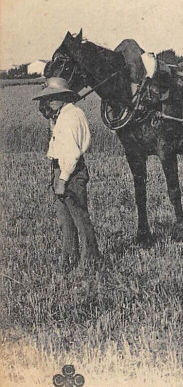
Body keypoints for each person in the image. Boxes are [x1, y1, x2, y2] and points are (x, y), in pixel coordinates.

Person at [33, 77, 101, 271]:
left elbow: (71, 153)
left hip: (70, 172)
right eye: (47, 99)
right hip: (63, 170)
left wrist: (62, 179)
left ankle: (90, 262)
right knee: (66, 222)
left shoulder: (70, 116)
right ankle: (70, 260)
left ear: (63, 97)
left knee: (80, 220)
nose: (49, 102)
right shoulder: (64, 114)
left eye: (53, 98)